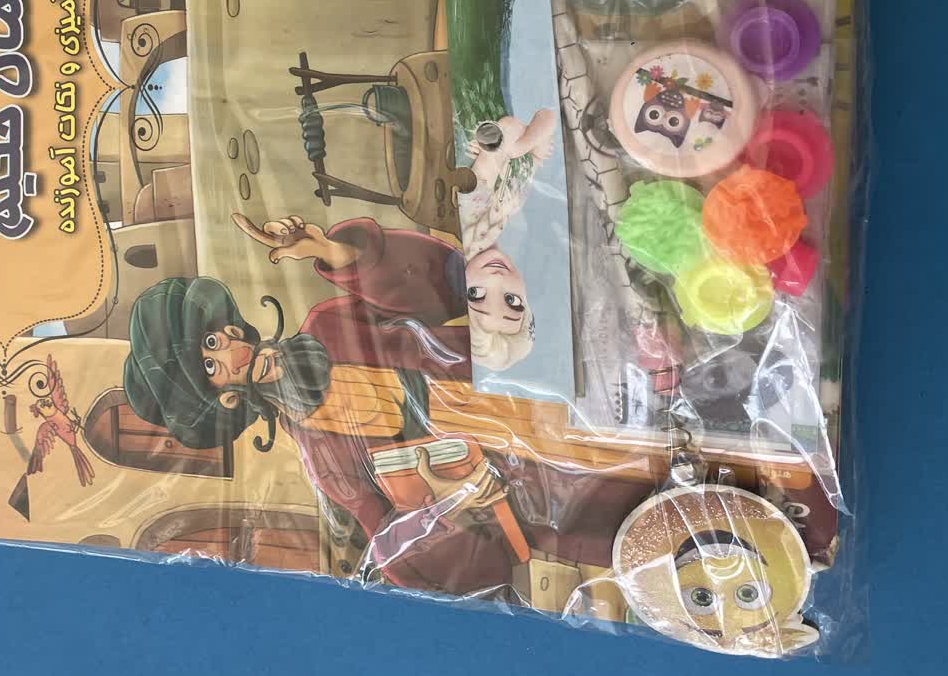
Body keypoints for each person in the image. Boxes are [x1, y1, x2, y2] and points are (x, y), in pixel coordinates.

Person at [121, 213, 635, 597]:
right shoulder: (328, 463)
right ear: (227, 400)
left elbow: (443, 284)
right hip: (570, 493)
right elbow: (434, 567)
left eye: (214, 341)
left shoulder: (328, 326)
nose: (234, 352)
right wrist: (449, 506)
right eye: (213, 367)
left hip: (562, 370)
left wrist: (335, 252)